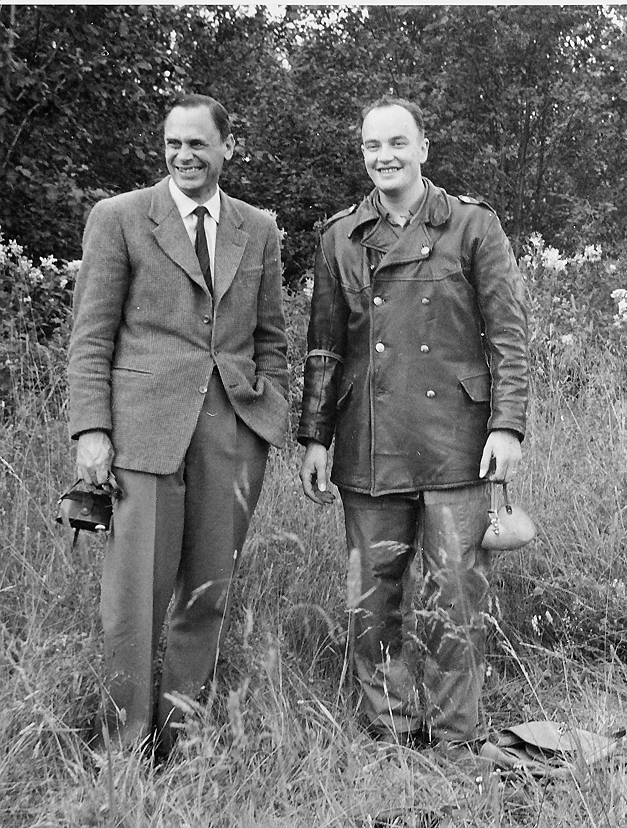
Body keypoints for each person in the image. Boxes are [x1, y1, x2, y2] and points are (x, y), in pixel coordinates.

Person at [298, 96, 528, 746]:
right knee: (373, 597)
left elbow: (509, 335)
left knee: (456, 593)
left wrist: (507, 425)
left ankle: (456, 735)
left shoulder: (472, 225)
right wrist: (315, 436)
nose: (385, 156)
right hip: (368, 443)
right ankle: (392, 729)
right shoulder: (340, 236)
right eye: (372, 145)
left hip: (457, 441)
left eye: (397, 143)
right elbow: (324, 346)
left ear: (423, 148)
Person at [68, 93, 289, 756]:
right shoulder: (120, 218)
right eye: (173, 144)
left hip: (232, 433)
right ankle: (124, 748)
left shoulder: (259, 228)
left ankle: (184, 740)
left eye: (197, 143)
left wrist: (268, 414)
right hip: (143, 436)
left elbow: (271, 338)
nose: (184, 156)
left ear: (228, 147)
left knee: (207, 594)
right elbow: (90, 337)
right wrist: (92, 431)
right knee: (134, 601)